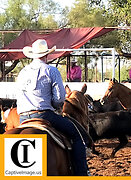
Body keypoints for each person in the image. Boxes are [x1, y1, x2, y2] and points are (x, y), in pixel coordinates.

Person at [17, 39, 89, 176]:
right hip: (44, 115)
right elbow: (59, 99)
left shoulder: (22, 72)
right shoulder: (51, 70)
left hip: (23, 118)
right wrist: (56, 105)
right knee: (78, 136)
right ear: (46, 55)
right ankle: (82, 173)